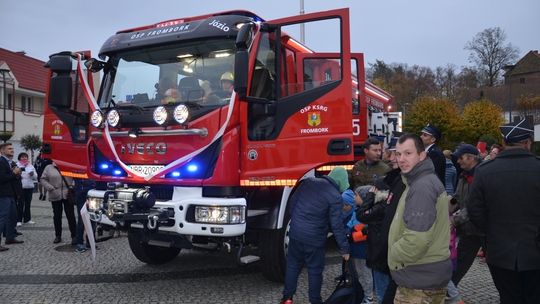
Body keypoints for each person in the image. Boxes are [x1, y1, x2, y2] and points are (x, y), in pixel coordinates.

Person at [467, 118, 540, 303]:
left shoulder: (484, 171)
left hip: (499, 252)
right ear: (528, 142)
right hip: (535, 251)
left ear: (504, 143)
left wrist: (492, 232)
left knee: (508, 297)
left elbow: (474, 210)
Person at [388, 133, 452, 303]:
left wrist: (393, 253)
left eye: (408, 153)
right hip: (424, 276)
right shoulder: (419, 181)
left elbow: (416, 240)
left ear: (422, 155)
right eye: (398, 153)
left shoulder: (422, 186)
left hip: (419, 281)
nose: (401, 159)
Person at [281, 167, 351, 304]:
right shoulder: (335, 197)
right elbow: (336, 225)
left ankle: (287, 298)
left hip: (295, 233)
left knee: (293, 266)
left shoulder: (308, 183)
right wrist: (345, 249)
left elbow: (292, 204)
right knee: (314, 270)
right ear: (340, 182)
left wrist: (297, 222)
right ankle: (315, 301)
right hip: (314, 239)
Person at [355, 138, 404, 304]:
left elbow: (364, 213)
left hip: (382, 242)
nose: (383, 155)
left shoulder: (387, 176)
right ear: (366, 150)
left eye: (383, 151)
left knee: (385, 291)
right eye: (376, 150)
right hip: (378, 238)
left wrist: (368, 199)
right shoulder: (358, 167)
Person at [448, 144, 484, 302]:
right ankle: (449, 292)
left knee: (498, 270)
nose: (458, 161)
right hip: (470, 230)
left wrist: (453, 221)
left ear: (471, 157)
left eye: (461, 157)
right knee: (459, 264)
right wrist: (444, 209)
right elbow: (456, 198)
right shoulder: (464, 175)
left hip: (482, 230)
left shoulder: (481, 175)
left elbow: (473, 206)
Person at [343, 186, 375, 304]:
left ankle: (369, 297)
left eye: (356, 195)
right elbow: (350, 224)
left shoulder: (367, 213)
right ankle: (362, 293)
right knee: (359, 273)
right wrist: (348, 232)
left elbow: (365, 232)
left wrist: (351, 235)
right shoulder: (357, 210)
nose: (354, 197)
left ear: (364, 198)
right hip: (356, 249)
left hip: (362, 250)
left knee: (365, 273)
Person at [40, 161, 77, 244]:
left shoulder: (69, 165)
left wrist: (72, 186)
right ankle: (58, 235)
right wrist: (50, 187)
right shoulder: (49, 167)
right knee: (57, 216)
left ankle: (74, 236)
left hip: (68, 194)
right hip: (55, 193)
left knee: (70, 215)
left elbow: (76, 177)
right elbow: (42, 179)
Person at [0, 142, 24, 250]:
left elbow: (13, 177)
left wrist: (17, 174)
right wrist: (14, 173)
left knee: (13, 217)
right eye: (9, 149)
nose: (12, 150)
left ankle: (10, 237)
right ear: (2, 151)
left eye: (12, 149)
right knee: (2, 218)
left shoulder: (11, 163)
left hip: (12, 194)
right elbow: (2, 178)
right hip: (3, 194)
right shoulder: (1, 162)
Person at [73, 178, 96, 253]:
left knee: (93, 219)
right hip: (82, 196)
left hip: (92, 195)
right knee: (81, 220)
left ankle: (90, 241)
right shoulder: (79, 169)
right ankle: (79, 242)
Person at [16, 152, 37, 225]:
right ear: (19, 158)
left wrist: (32, 174)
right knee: (20, 204)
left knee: (28, 204)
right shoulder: (17, 165)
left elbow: (36, 177)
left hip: (29, 187)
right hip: (21, 188)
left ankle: (27, 219)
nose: (24, 158)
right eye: (22, 157)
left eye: (25, 157)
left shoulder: (30, 166)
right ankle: (18, 220)